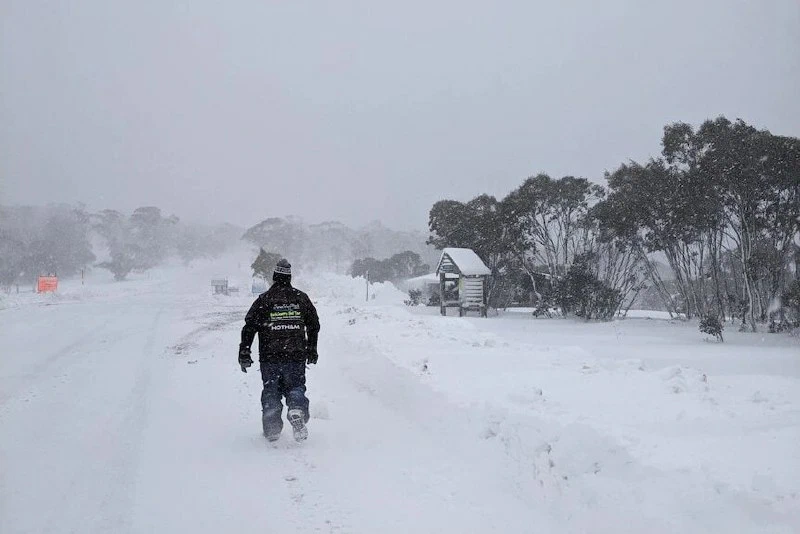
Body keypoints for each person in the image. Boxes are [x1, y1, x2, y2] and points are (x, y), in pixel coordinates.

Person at [238, 259, 320, 442]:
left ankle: (272, 428)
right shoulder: (301, 298)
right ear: (289, 277)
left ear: (275, 276)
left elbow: (249, 327)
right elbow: (314, 325)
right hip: (295, 355)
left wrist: (244, 352)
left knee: (271, 391)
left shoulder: (264, 300)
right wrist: (312, 349)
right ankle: (296, 409)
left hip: (270, 357)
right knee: (296, 387)